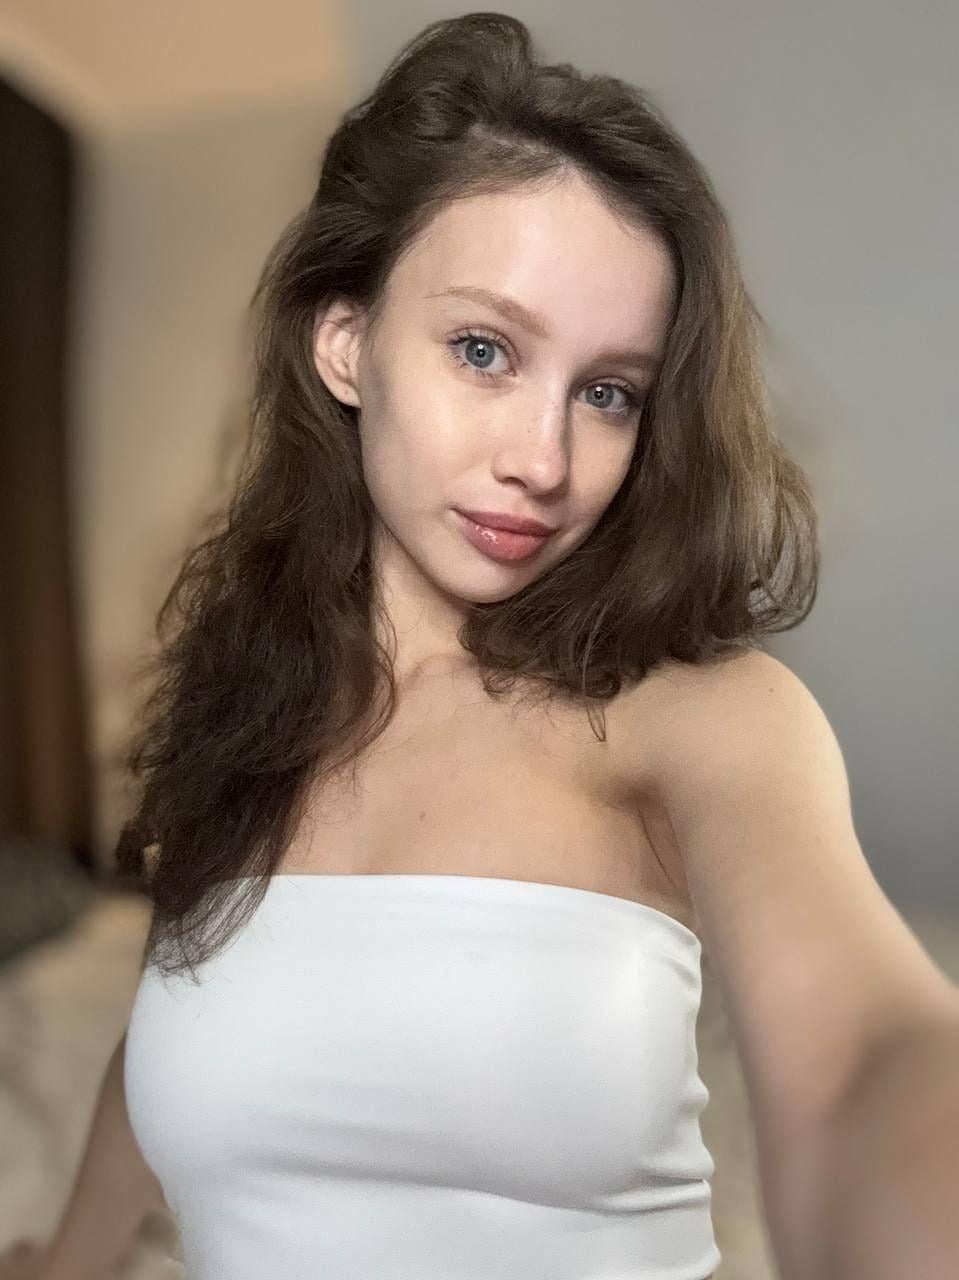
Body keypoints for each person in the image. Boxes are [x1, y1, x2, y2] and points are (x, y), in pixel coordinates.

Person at [4, 12, 958, 1280]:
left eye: (606, 391)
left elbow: (861, 1065)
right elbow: (184, 1025)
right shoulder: (249, 714)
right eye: (483, 349)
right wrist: (67, 1256)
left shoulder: (699, 719)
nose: (545, 459)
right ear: (345, 343)